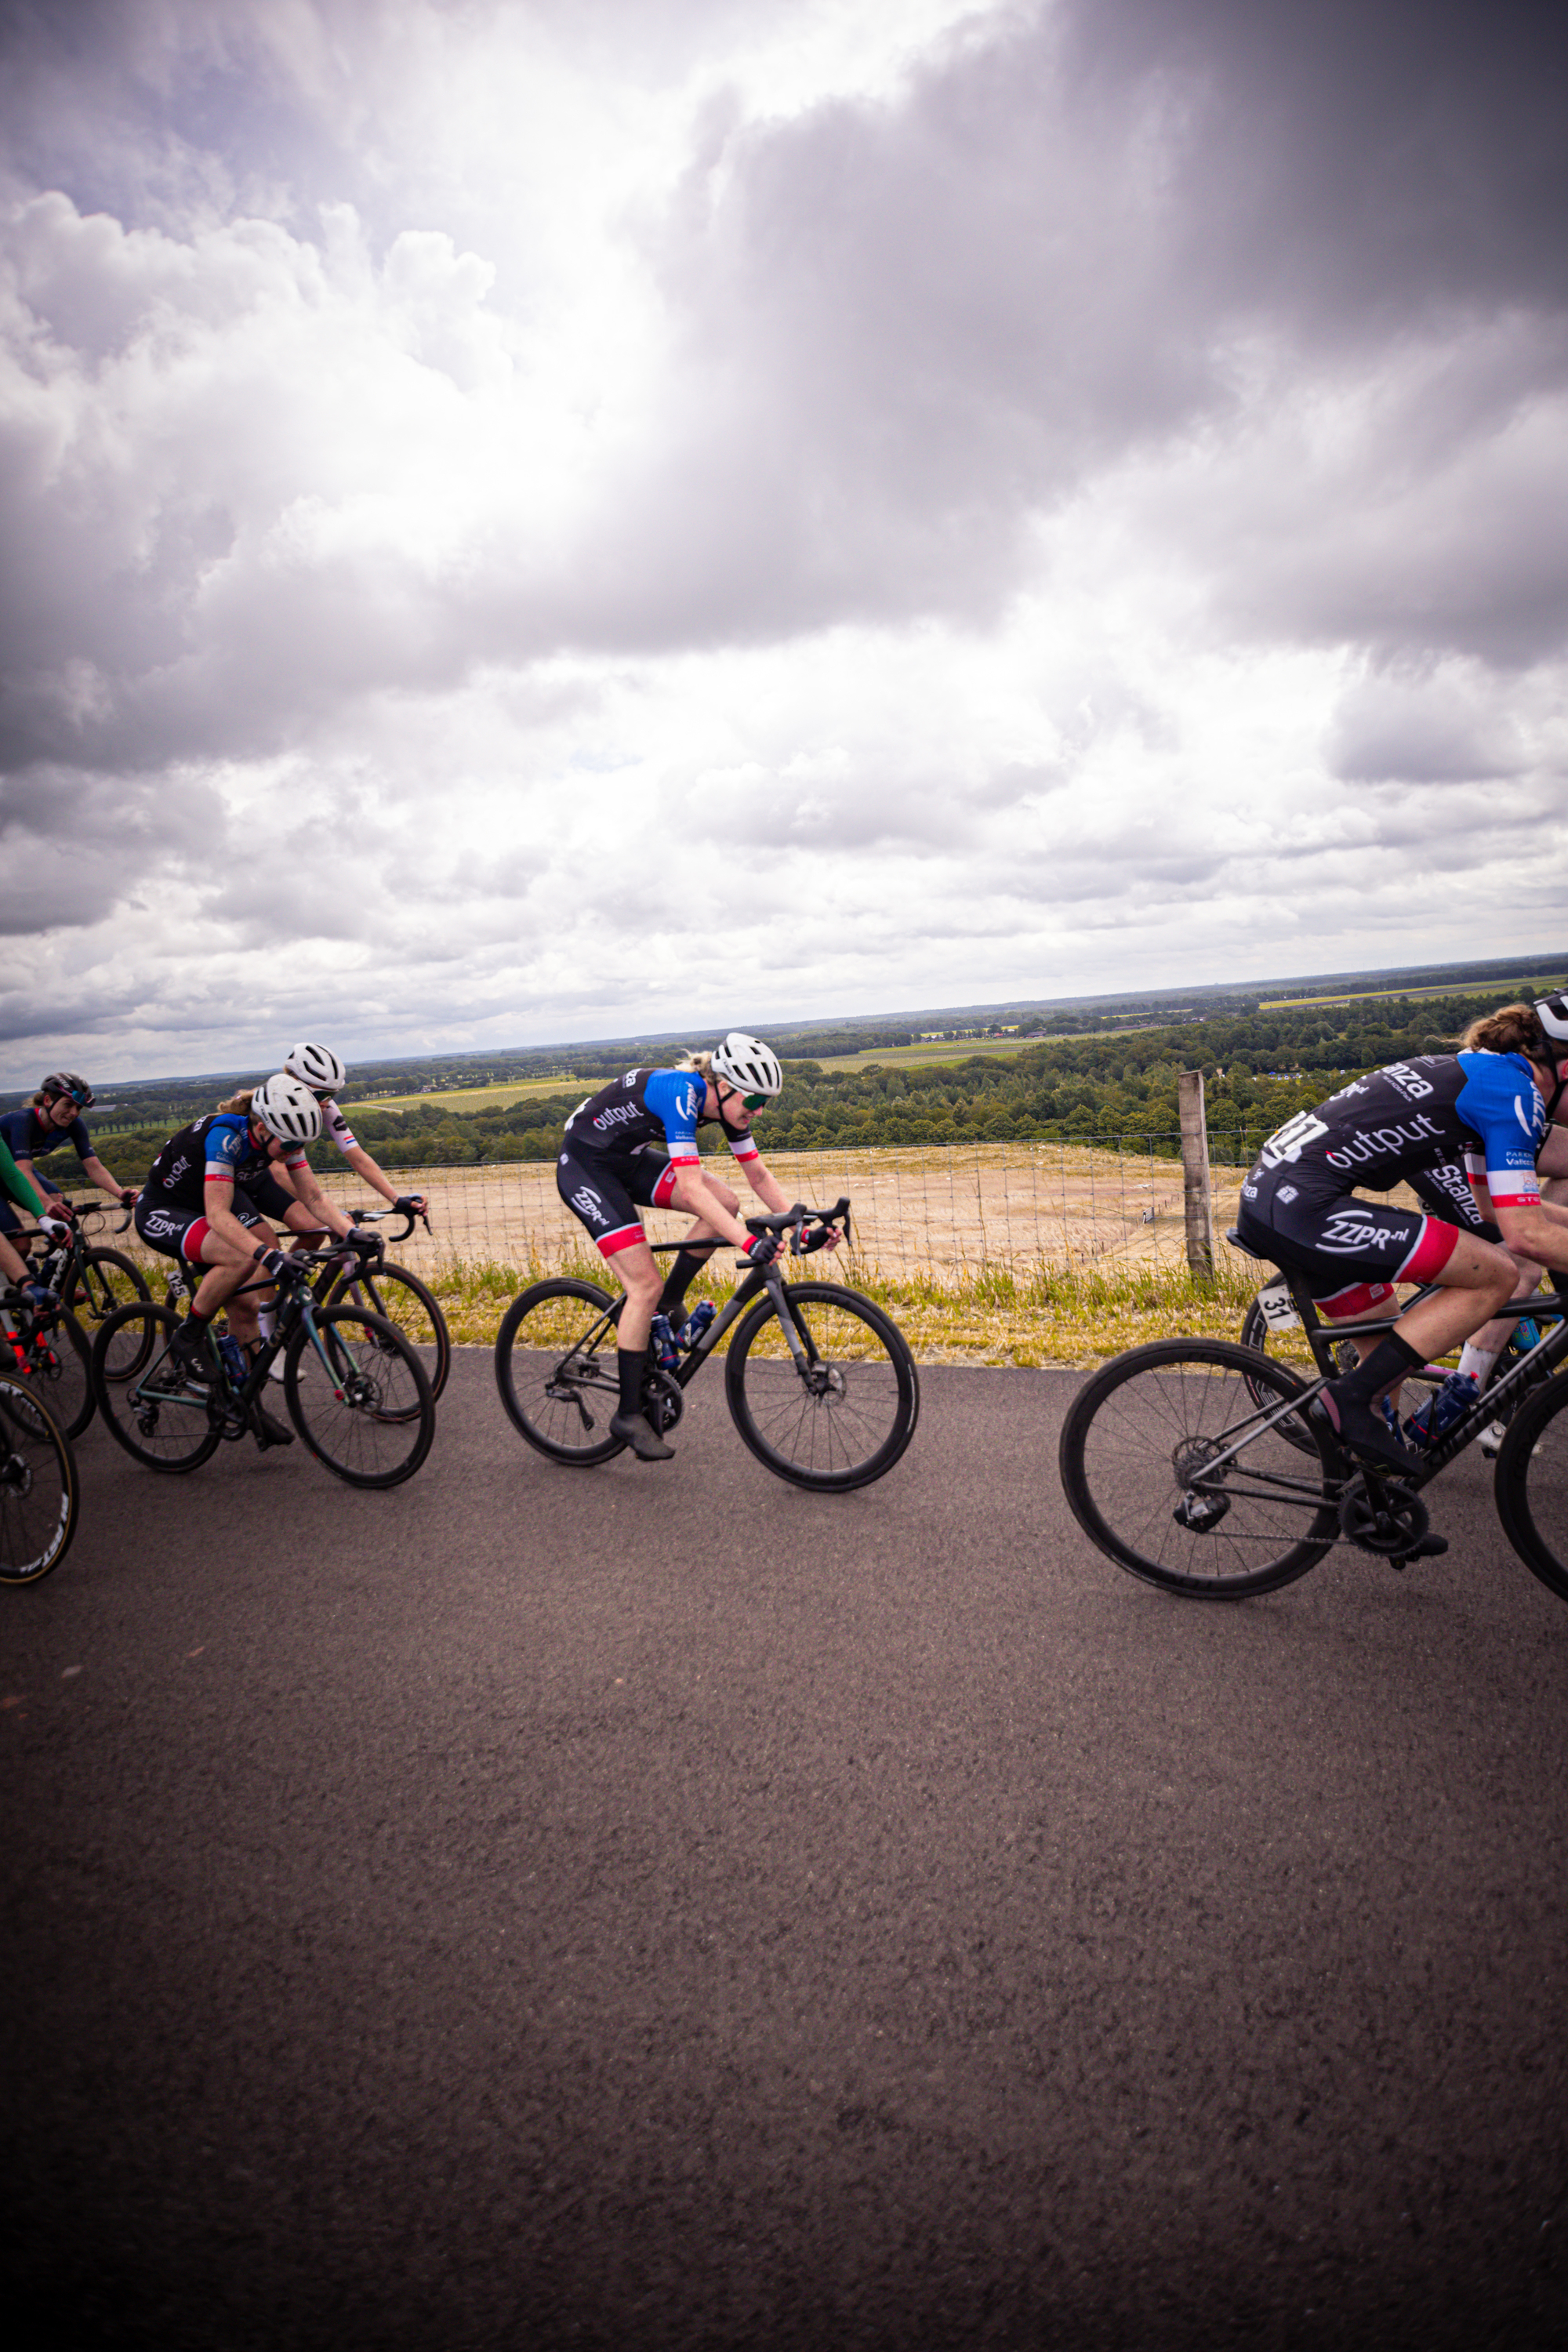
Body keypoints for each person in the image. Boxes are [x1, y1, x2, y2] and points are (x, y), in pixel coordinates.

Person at [1235, 999, 1568, 1480]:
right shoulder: (1512, 1093)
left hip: (1280, 1200)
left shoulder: (1489, 1076)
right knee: (1496, 1273)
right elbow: (1524, 1233)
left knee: (1384, 1362)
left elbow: (1492, 1206)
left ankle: (1373, 1497)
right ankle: (1346, 1399)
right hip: (1301, 1207)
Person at [556, 1032, 821, 1460]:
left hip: (629, 1159)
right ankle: (627, 1415)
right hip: (586, 1164)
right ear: (725, 1086)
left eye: (765, 1104)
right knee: (643, 1286)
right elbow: (693, 1190)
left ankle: (669, 1301)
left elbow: (757, 1178)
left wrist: (803, 1230)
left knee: (728, 1202)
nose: (758, 1111)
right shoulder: (680, 1093)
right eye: (754, 1102)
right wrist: (748, 1241)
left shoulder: (728, 1110)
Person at [133, 1074, 378, 1443]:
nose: (294, 1148)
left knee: (246, 1308)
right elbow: (218, 1216)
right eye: (289, 1143)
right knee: (241, 1257)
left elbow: (313, 1199)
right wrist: (269, 1254)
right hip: (165, 1209)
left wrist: (349, 1232)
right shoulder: (225, 1136)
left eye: (300, 1143)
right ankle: (190, 1333)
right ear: (262, 1128)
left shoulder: (284, 1136)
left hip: (206, 1205)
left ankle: (247, 1406)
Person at [279, 1044, 427, 1221]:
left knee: (325, 1231)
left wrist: (396, 1199)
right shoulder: (274, 1108)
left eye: (331, 1095)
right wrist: (333, 1214)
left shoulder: (326, 1107)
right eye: (320, 1095)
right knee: (313, 1230)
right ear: (295, 1083)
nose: (326, 1103)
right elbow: (278, 1174)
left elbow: (358, 1158)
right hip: (251, 1181)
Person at [0, 1073, 138, 1247]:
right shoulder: (23, 1121)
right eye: (68, 1105)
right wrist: (46, 1204)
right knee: (21, 1243)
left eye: (79, 1108)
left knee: (61, 1210)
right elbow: (22, 1170)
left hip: (14, 1174)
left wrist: (120, 1192)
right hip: (13, 1173)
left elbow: (93, 1166)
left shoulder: (75, 1125)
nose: (73, 1113)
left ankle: (55, 1271)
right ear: (48, 1101)